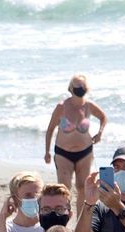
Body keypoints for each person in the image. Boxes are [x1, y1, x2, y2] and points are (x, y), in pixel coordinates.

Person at [44, 75, 107, 210]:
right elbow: (50, 130)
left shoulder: (89, 106)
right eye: (77, 87)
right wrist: (47, 152)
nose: (80, 89)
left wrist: (100, 133)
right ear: (71, 88)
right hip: (63, 153)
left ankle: (80, 224)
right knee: (64, 189)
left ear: (87, 88)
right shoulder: (62, 107)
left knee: (83, 187)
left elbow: (103, 117)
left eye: (82, 86)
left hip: (85, 152)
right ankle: (63, 220)